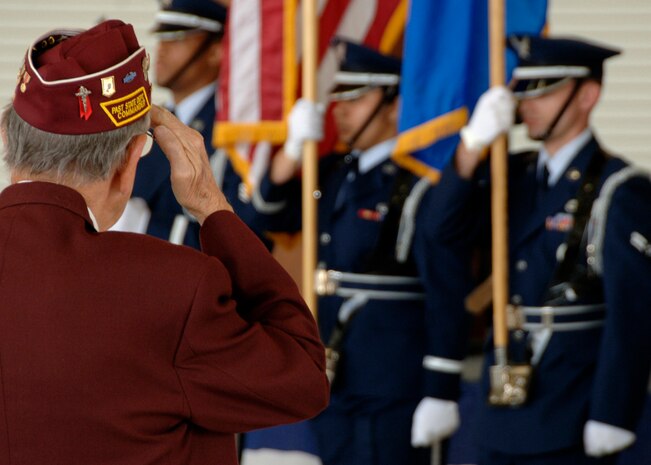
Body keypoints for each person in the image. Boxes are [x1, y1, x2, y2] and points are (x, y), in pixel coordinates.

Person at [0, 19, 328, 464]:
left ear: (8, 138)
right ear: (132, 159)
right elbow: (302, 378)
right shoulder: (172, 287)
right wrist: (213, 207)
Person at [426, 35, 651, 464]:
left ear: (587, 95)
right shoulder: (513, 175)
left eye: (545, 90)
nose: (527, 102)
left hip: (572, 405)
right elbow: (439, 230)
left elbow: (634, 315)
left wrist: (613, 413)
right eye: (523, 90)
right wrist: (471, 147)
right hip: (502, 404)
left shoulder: (620, 189)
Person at [252, 38, 473, 465]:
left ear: (394, 104)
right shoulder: (331, 172)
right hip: (333, 372)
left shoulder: (420, 185)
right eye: (339, 98)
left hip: (393, 379)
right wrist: (292, 154)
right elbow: (265, 217)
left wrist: (441, 385)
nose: (342, 109)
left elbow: (447, 289)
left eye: (356, 98)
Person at [117, 0, 265, 248]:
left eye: (177, 38)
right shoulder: (144, 124)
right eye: (162, 37)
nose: (161, 49)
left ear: (215, 52)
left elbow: (246, 222)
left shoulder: (232, 130)